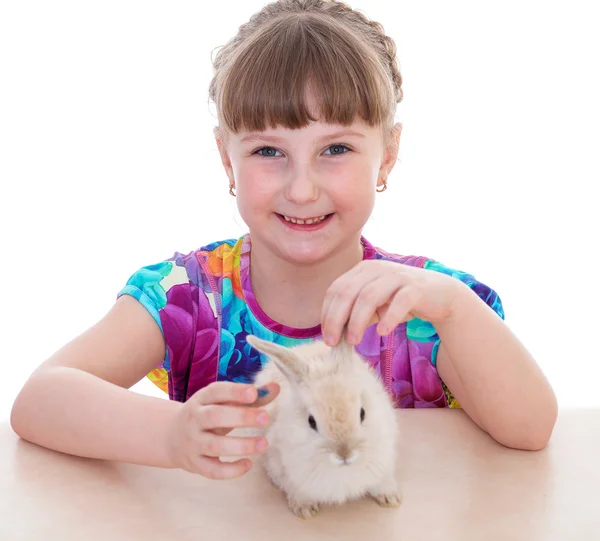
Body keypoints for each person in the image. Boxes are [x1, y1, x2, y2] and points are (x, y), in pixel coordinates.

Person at [10, 0, 557, 481]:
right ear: (228, 158)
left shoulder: (429, 308)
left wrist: (455, 309)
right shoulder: (189, 296)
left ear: (386, 155)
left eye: (336, 149)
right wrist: (171, 433)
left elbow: (530, 429)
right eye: (268, 152)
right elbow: (39, 400)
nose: (301, 189)